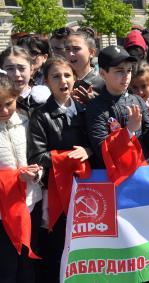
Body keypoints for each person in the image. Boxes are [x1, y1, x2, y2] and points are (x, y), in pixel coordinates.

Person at [28, 57, 92, 282]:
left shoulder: (86, 110)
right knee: (57, 247)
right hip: (55, 191)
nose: (62, 80)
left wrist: (88, 151)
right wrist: (71, 158)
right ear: (46, 81)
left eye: (67, 75)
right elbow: (37, 155)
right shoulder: (40, 115)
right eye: (55, 76)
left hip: (86, 190)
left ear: (75, 78)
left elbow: (96, 143)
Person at [85, 45, 149, 168]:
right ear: (102, 73)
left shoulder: (137, 100)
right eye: (119, 71)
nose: (126, 75)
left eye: (128, 70)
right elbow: (102, 151)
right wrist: (128, 131)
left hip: (143, 170)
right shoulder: (95, 106)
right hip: (116, 178)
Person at [0, 73, 43, 283]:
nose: (4, 111)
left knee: (28, 265)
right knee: (6, 267)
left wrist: (35, 174)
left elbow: (38, 156)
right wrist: (16, 177)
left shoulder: (26, 120)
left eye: (8, 103)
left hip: (29, 204)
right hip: (3, 212)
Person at [0, 46, 50, 115]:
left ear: (31, 69)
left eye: (22, 68)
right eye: (10, 69)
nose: (17, 74)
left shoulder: (44, 100)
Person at [65, 29, 104, 102]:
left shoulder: (103, 82)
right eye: (67, 49)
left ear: (92, 52)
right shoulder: (61, 81)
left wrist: (93, 104)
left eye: (76, 49)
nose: (71, 53)